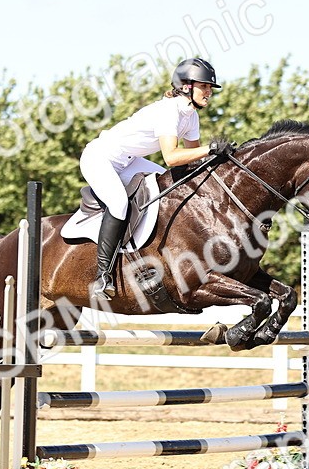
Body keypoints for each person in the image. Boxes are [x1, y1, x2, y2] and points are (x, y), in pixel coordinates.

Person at [79, 57, 235, 300]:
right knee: (119, 204)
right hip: (99, 158)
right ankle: (103, 276)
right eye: (204, 86)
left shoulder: (191, 116)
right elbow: (171, 157)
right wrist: (209, 149)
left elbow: (189, 163)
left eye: (209, 88)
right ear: (186, 86)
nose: (209, 92)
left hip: (129, 161)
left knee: (169, 185)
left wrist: (218, 158)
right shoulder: (169, 111)